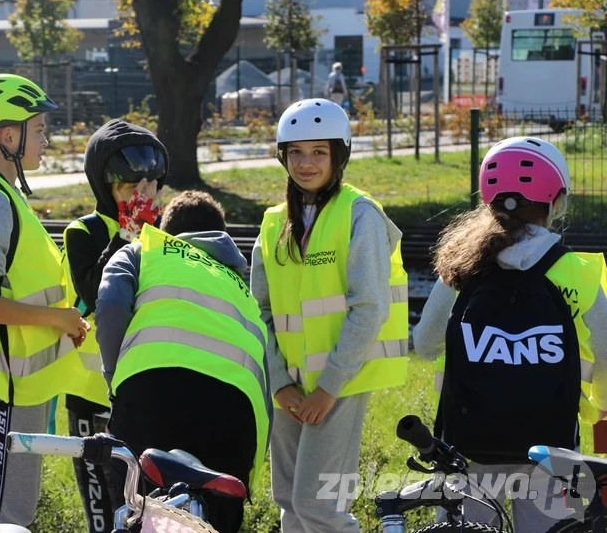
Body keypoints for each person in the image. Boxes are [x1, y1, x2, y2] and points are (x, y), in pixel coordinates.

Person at [413, 136, 607, 532]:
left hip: (467, 445)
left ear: (488, 200)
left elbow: (425, 343)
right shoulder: (577, 272)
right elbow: (606, 358)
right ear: (557, 203)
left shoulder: (462, 263)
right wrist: (592, 405)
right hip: (550, 446)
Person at [250, 98, 409, 533]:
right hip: (290, 388)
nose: (306, 163)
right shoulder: (273, 224)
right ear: (283, 156)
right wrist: (278, 381)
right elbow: (259, 310)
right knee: (289, 501)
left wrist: (329, 387)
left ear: (339, 155)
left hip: (339, 384)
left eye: (319, 152)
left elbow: (370, 306)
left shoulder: (360, 215)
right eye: (296, 152)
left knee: (318, 506)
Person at [0, 73, 89, 527]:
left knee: (18, 508)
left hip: (23, 382)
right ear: (9, 135)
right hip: (8, 383)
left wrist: (64, 320)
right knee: (6, 513)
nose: (47, 138)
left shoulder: (7, 193)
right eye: (40, 128)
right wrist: (56, 317)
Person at [95, 190, 272, 533]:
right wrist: (249, 472)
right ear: (222, 237)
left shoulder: (146, 251)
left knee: (137, 513)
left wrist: (115, 379)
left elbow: (111, 306)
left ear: (166, 230)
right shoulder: (241, 289)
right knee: (217, 521)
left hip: (152, 393)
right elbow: (262, 375)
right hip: (236, 416)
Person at [61, 119, 168, 533]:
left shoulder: (166, 230)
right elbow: (91, 293)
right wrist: (126, 234)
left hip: (147, 382)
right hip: (93, 392)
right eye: (129, 188)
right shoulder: (84, 232)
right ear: (105, 186)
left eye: (152, 185)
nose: (143, 195)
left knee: (148, 503)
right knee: (103, 509)